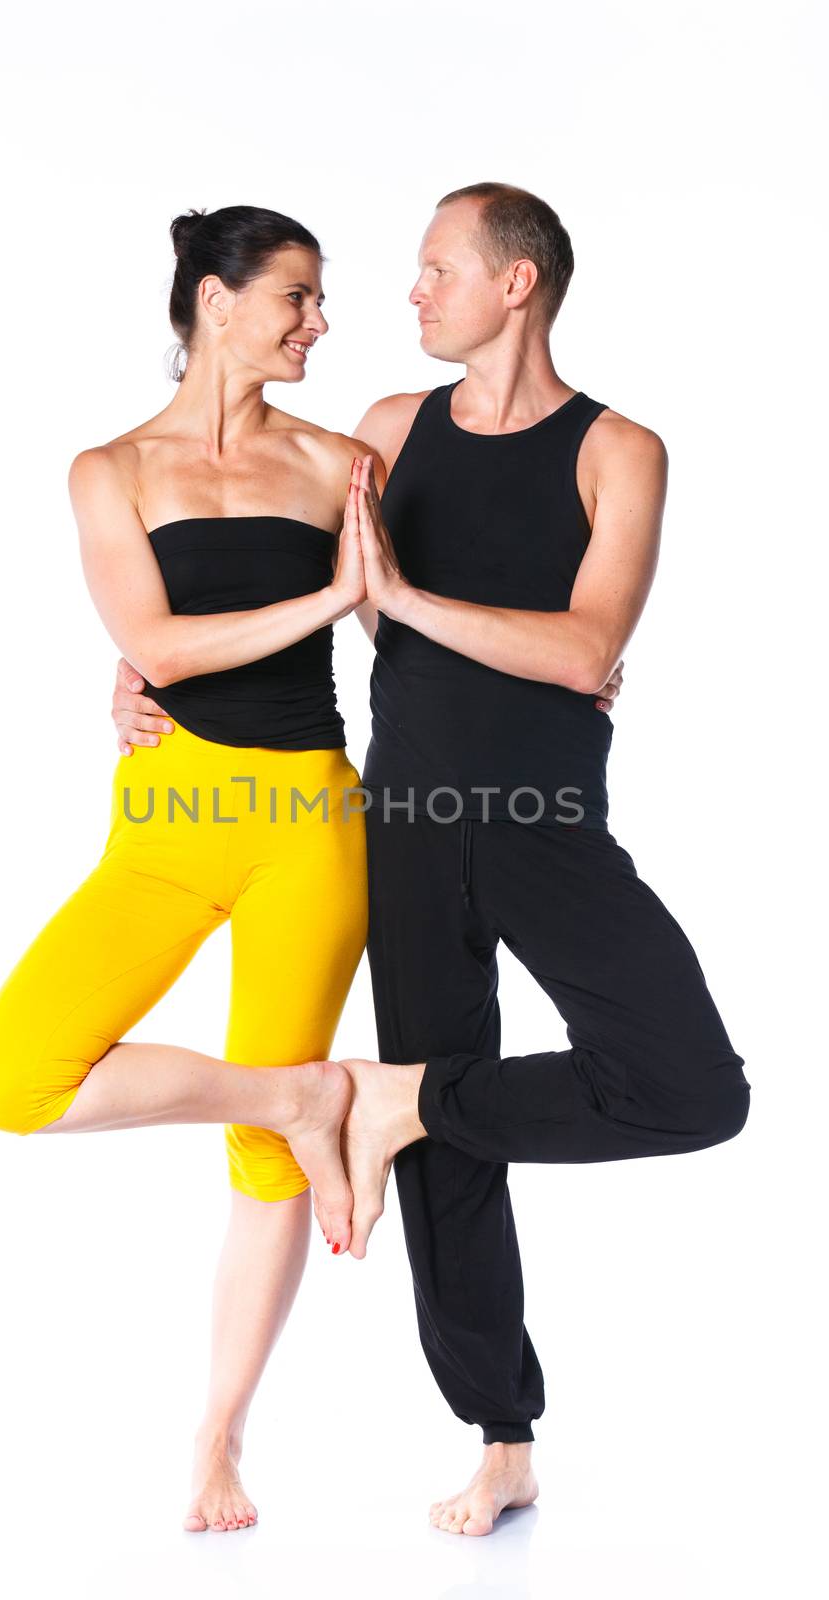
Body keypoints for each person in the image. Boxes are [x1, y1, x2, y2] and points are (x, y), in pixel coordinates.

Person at [112, 183, 749, 1538]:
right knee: (454, 1167)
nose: (408, 296)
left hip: (541, 824)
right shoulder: (388, 433)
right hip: (398, 822)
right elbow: (266, 549)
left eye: (435, 269)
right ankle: (501, 1438)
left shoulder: (619, 449)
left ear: (514, 284)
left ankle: (406, 1097)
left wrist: (401, 602)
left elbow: (584, 650)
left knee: (692, 1087)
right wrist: (139, 673)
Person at [0, 204, 382, 1534]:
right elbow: (160, 639)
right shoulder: (110, 471)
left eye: (321, 302)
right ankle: (307, 1096)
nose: (319, 322)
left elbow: (410, 625)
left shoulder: (338, 463)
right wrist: (305, 608)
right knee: (13, 1076)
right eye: (298, 298)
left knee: (265, 1168)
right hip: (167, 823)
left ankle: (218, 1439)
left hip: (312, 827)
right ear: (215, 299)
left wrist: (574, 666)